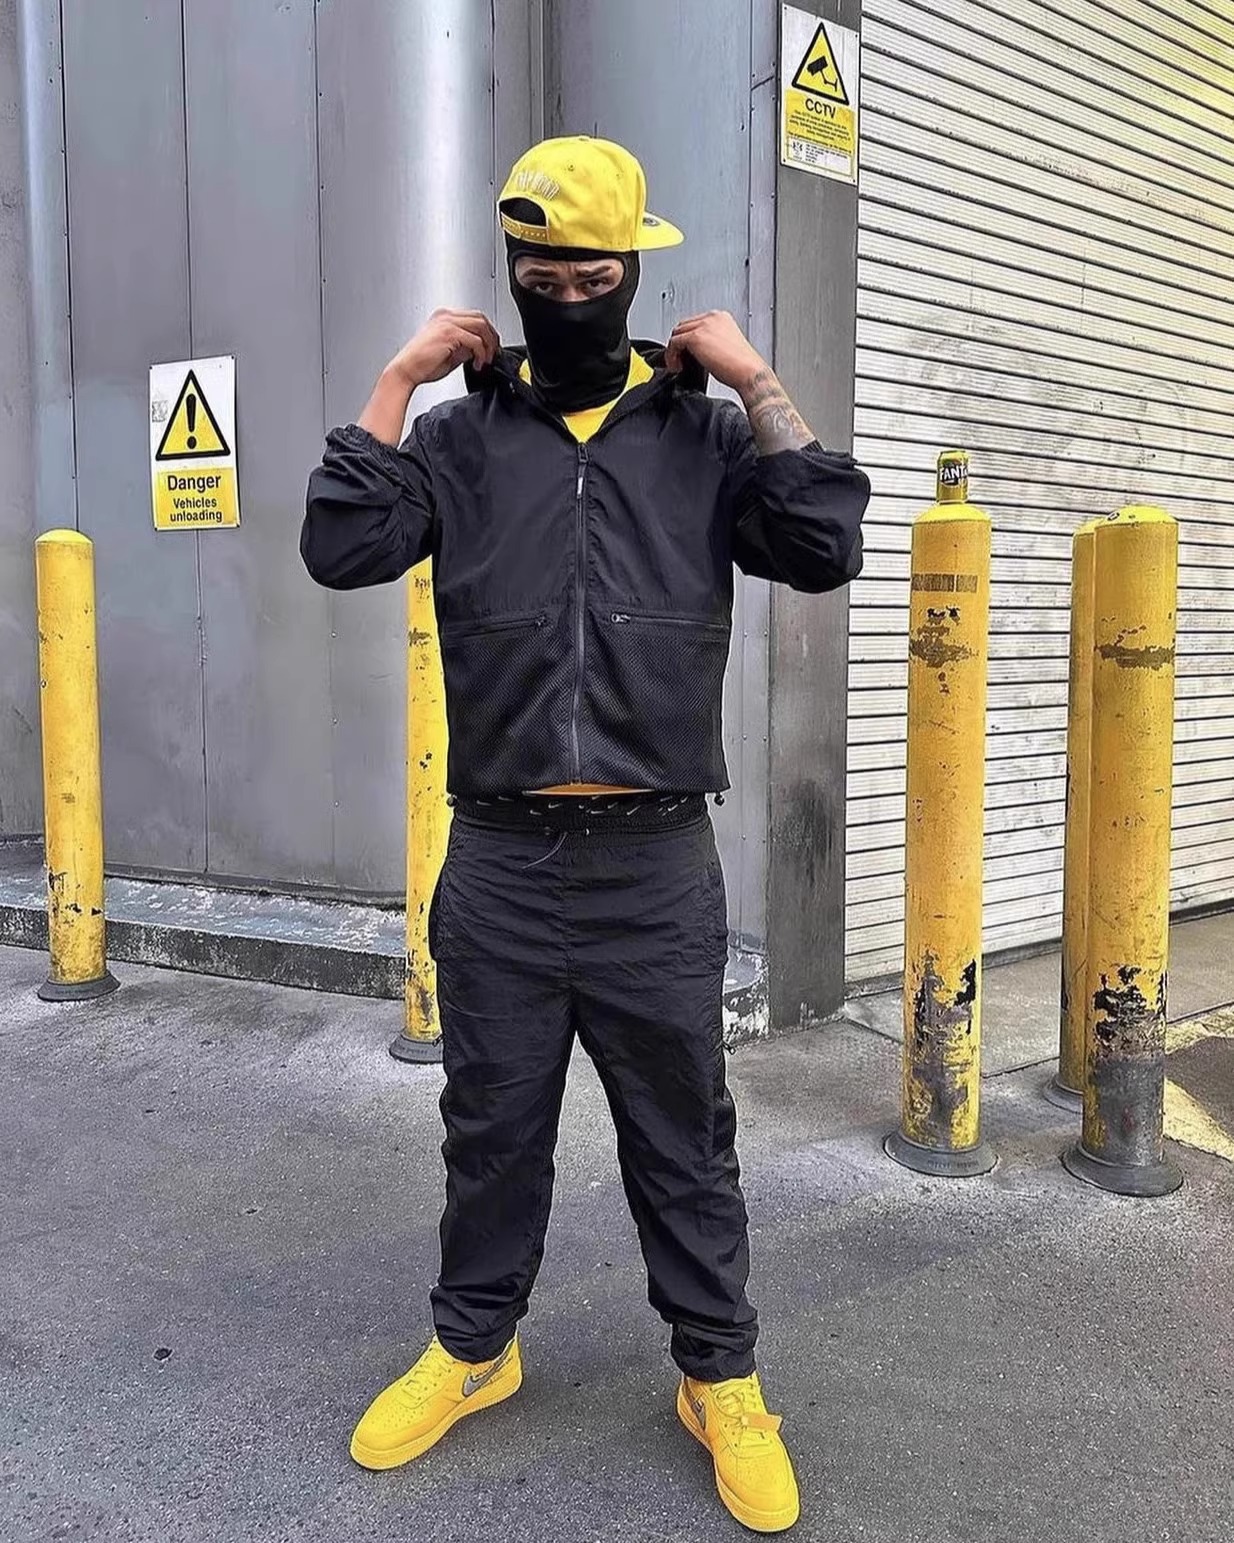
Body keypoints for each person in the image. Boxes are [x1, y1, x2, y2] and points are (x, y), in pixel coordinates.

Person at [302, 135, 868, 1534]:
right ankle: (474, 1349)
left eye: (592, 276)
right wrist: (397, 379)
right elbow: (342, 546)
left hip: (652, 862)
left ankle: (719, 1377)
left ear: (633, 271)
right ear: (511, 272)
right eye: (540, 275)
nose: (564, 296)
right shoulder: (457, 441)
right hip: (498, 861)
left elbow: (821, 548)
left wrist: (756, 382)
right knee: (490, 1128)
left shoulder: (703, 437)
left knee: (683, 1137)